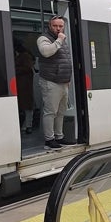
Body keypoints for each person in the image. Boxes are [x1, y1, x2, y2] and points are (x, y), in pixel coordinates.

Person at [37, 15, 74, 149]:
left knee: (60, 111)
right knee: (50, 111)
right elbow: (46, 52)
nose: (58, 28)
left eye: (60, 26)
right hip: (50, 81)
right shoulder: (44, 38)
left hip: (63, 82)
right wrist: (59, 40)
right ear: (49, 26)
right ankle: (49, 139)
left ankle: (59, 137)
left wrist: (67, 80)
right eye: (55, 26)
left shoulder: (61, 39)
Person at [14, 39, 36, 134]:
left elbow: (27, 68)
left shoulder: (24, 56)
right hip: (22, 83)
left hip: (25, 84)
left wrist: (15, 69)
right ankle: (26, 125)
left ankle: (28, 125)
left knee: (27, 105)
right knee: (25, 105)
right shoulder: (23, 55)